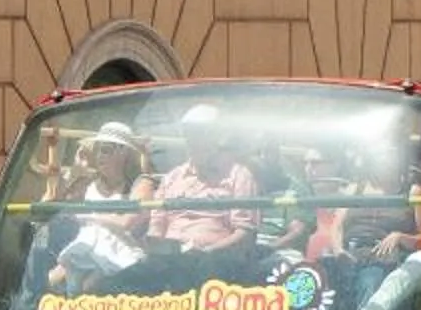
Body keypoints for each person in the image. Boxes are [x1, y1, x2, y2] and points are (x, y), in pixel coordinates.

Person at [144, 105, 260, 275]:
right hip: (167, 263)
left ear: (218, 137)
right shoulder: (172, 178)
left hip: (216, 265)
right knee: (116, 285)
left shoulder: (239, 175)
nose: (194, 140)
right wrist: (155, 250)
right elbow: (156, 228)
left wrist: (207, 253)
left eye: (202, 133)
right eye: (189, 134)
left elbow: (245, 236)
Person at [45, 124, 151, 292]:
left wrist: (90, 218)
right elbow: (55, 204)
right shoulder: (87, 183)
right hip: (84, 249)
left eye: (106, 150)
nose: (99, 155)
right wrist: (75, 171)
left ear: (123, 153)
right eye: (97, 150)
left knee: (89, 286)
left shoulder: (138, 184)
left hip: (121, 252)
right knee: (52, 279)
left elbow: (127, 223)